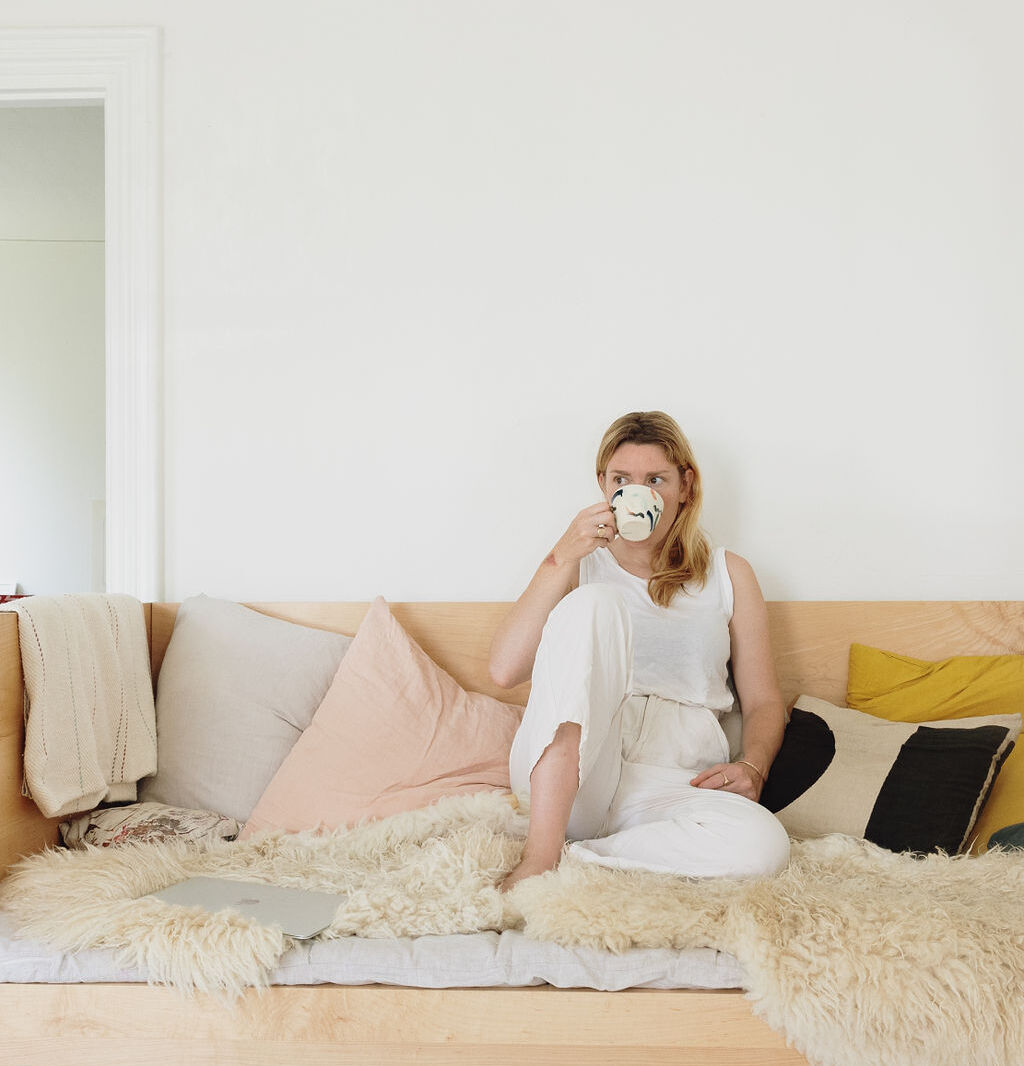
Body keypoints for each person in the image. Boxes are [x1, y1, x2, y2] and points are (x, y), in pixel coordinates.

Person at [490, 411, 790, 892]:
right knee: (596, 602)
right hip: (575, 773)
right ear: (603, 487)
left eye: (656, 479)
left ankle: (584, 859)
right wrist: (561, 556)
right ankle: (540, 855)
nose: (638, 492)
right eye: (622, 480)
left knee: (764, 845)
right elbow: (505, 670)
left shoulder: (728, 573)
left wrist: (753, 766)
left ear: (685, 486)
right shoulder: (578, 567)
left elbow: (763, 701)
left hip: (671, 782)